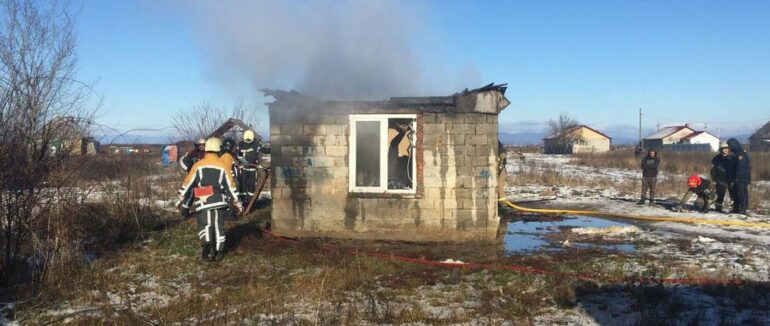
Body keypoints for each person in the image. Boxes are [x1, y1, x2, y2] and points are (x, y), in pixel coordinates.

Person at [177, 137, 242, 262]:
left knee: (205, 225)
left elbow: (188, 182)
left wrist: (181, 196)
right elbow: (231, 186)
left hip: (202, 202)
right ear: (219, 150)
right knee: (219, 226)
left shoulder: (198, 165)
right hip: (219, 200)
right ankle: (219, 252)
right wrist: (237, 202)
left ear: (206, 150)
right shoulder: (223, 166)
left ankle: (207, 247)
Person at [237, 130, 264, 205]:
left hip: (253, 169)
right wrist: (241, 162)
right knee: (242, 186)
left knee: (251, 187)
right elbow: (238, 155)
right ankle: (242, 203)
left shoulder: (256, 144)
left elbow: (263, 149)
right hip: (243, 169)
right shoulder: (241, 144)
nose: (248, 142)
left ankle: (250, 203)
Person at [727, 138, 751, 214]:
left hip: (742, 177)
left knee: (741, 193)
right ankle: (736, 208)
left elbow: (741, 166)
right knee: (735, 193)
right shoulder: (735, 153)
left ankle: (743, 209)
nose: (729, 148)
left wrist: (738, 177)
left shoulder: (740, 153)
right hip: (736, 177)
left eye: (729, 146)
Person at [710, 142, 734, 213]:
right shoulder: (716, 158)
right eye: (724, 149)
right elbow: (712, 169)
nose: (725, 150)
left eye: (726, 149)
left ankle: (734, 208)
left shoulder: (732, 157)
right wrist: (714, 178)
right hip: (720, 180)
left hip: (731, 179)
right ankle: (718, 208)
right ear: (721, 150)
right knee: (720, 195)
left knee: (733, 195)